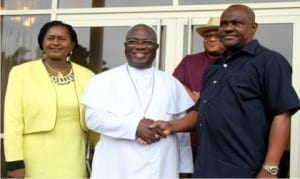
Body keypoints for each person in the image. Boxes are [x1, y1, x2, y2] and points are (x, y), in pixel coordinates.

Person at [149, 4, 300, 178]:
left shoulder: (270, 61)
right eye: (224, 23)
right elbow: (201, 111)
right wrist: (170, 126)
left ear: (253, 27)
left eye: (237, 23)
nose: (228, 28)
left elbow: (282, 115)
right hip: (205, 169)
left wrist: (270, 167)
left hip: (245, 170)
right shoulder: (214, 68)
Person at [81, 24, 194, 178]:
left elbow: (182, 133)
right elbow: (93, 119)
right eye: (133, 41)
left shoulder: (171, 83)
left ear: (157, 47)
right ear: (125, 46)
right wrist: (135, 127)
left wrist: (185, 169)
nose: (140, 46)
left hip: (162, 166)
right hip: (116, 167)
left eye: (147, 42)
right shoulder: (102, 80)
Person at [4, 20, 99, 178]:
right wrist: (14, 162)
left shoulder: (87, 76)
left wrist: (102, 151)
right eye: (50, 38)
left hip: (73, 160)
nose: (55, 42)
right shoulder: (21, 73)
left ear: (72, 45)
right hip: (34, 161)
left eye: (62, 39)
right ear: (42, 43)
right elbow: (12, 121)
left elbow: (95, 119)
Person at [173, 17, 224, 162]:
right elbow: (173, 84)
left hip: (223, 136)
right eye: (208, 36)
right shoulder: (190, 61)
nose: (212, 39)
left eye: (217, 35)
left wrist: (206, 99)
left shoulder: (236, 62)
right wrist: (195, 98)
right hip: (193, 135)